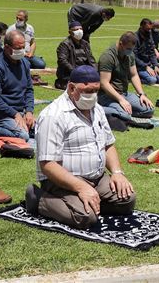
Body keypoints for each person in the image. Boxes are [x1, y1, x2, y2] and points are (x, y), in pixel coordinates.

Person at [25, 65, 135, 228]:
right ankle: (38, 198)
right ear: (71, 88)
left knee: (127, 199)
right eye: (87, 91)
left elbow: (108, 144)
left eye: (95, 91)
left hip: (97, 177)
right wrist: (81, 186)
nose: (92, 96)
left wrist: (117, 173)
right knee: (85, 217)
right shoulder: (53, 116)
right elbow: (48, 165)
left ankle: (88, 200)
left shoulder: (96, 109)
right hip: (62, 181)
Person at [0, 31, 35, 141]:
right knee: (23, 136)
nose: (22, 51)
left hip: (20, 112)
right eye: (18, 48)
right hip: (1, 115)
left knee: (42, 130)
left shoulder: (25, 64)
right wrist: (15, 114)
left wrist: (29, 111)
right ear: (7, 47)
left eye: (23, 47)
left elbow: (29, 90)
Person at [97, 32, 155, 122]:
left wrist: (142, 94)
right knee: (125, 115)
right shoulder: (108, 57)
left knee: (149, 109)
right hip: (107, 95)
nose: (130, 51)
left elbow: (134, 75)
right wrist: (121, 100)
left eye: (132, 49)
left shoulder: (129, 55)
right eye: (128, 48)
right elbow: (104, 83)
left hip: (124, 93)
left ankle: (123, 111)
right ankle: (96, 109)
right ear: (120, 44)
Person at [56, 21, 95, 91]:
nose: (79, 31)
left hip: (84, 72)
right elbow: (62, 61)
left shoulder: (85, 44)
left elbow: (91, 60)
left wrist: (96, 71)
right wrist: (75, 71)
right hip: (69, 74)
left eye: (81, 29)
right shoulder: (64, 44)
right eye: (76, 30)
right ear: (70, 32)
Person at [135, 19, 159, 85]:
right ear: (141, 27)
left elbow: (152, 53)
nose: (149, 31)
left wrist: (156, 66)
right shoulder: (135, 38)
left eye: (150, 29)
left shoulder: (149, 36)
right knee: (152, 80)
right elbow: (134, 57)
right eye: (147, 29)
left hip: (149, 65)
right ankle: (134, 77)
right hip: (139, 66)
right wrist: (145, 67)